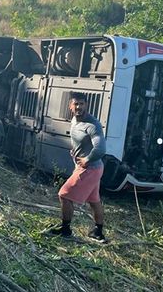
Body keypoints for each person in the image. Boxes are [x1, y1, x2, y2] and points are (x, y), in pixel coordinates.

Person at [47, 92, 107, 243]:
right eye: (76, 104)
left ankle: (65, 229)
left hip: (90, 168)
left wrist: (86, 158)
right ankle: (98, 233)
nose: (79, 107)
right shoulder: (74, 120)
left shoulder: (92, 125)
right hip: (92, 168)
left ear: (86, 105)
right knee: (94, 200)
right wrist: (76, 151)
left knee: (64, 195)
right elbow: (79, 140)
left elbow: (100, 149)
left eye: (82, 103)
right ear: (70, 106)